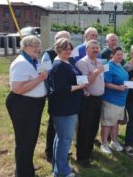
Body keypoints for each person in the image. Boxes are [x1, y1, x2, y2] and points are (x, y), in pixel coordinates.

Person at [6, 35, 48, 177]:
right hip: (23, 104)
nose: (37, 48)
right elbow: (17, 88)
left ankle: (26, 166)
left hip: (34, 104)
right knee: (24, 140)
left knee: (31, 138)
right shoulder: (21, 63)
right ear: (24, 47)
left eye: (38, 45)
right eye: (33, 45)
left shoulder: (35, 60)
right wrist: (40, 78)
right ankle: (23, 173)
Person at [48, 38, 86, 177]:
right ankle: (62, 172)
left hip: (69, 106)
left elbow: (75, 78)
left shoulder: (67, 62)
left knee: (61, 138)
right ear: (58, 49)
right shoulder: (58, 65)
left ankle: (58, 167)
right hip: (63, 108)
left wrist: (82, 88)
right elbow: (60, 88)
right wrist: (80, 87)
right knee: (65, 140)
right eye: (65, 49)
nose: (68, 51)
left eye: (70, 48)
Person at [41, 30, 71, 163]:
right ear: (55, 41)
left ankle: (62, 150)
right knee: (53, 124)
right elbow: (43, 73)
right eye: (62, 40)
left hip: (68, 94)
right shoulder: (48, 54)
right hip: (55, 94)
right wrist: (49, 92)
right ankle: (50, 152)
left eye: (67, 40)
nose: (65, 44)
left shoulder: (70, 53)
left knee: (64, 127)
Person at [75, 40, 105, 167]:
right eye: (93, 48)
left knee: (93, 127)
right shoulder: (82, 63)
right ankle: (82, 157)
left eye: (97, 48)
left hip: (98, 99)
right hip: (88, 99)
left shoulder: (99, 62)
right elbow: (85, 82)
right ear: (87, 49)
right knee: (85, 128)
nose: (95, 50)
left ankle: (89, 151)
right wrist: (96, 72)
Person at [100, 47, 128, 154]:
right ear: (112, 55)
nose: (120, 56)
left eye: (121, 54)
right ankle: (104, 144)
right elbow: (105, 83)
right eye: (118, 54)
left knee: (115, 122)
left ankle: (114, 141)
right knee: (107, 123)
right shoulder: (108, 66)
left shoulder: (120, 65)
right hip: (111, 99)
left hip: (121, 100)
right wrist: (118, 87)